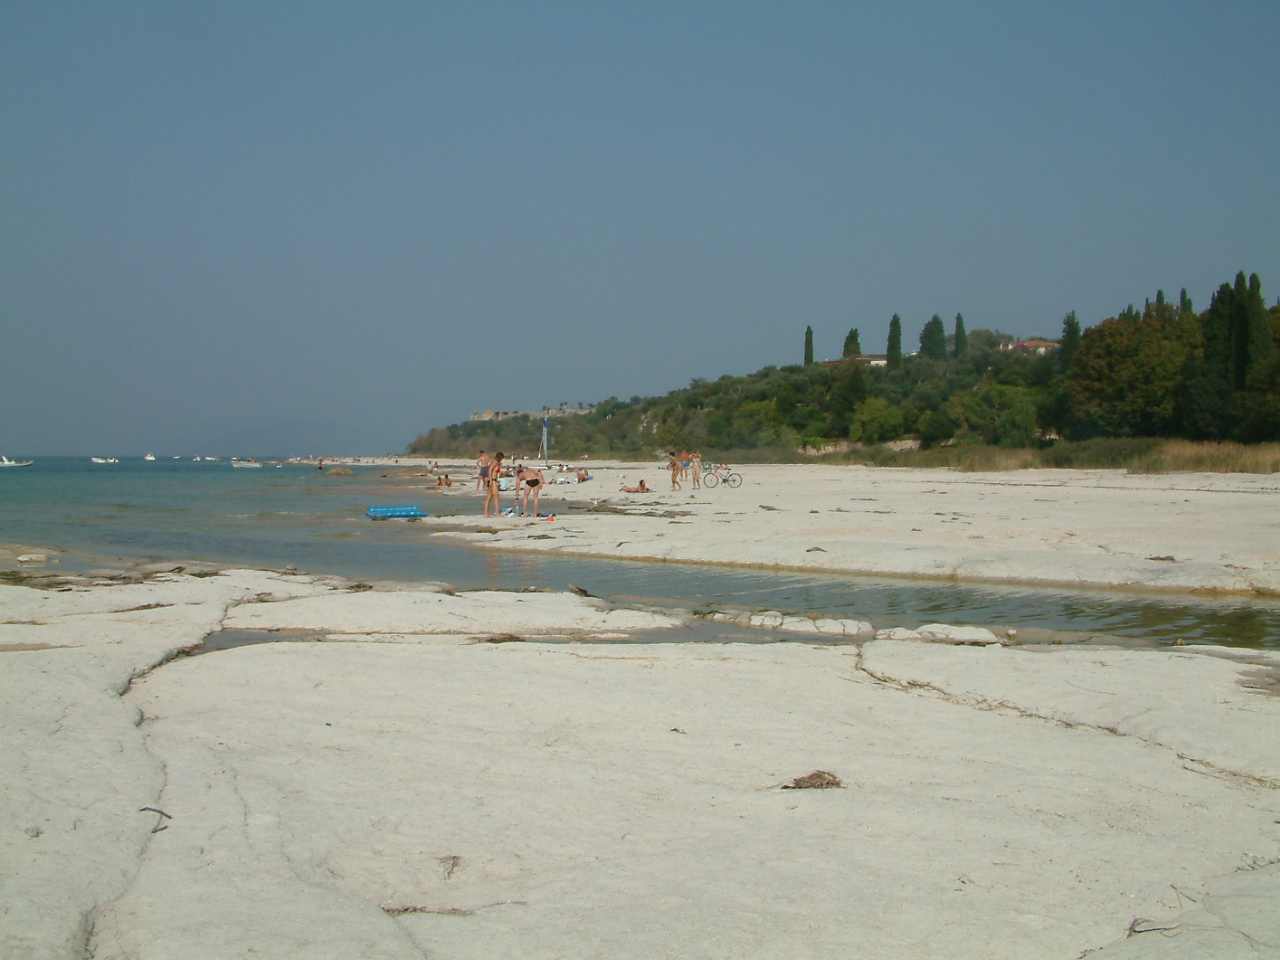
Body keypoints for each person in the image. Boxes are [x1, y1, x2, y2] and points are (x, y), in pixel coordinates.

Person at [483, 452, 505, 517]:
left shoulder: (495, 462)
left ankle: (486, 513)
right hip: (493, 480)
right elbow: (490, 470)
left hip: (493, 480)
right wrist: (491, 480)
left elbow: (493, 471)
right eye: (501, 458)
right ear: (499, 457)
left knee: (489, 497)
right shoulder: (495, 462)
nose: (502, 460)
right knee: (496, 497)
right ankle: (497, 513)